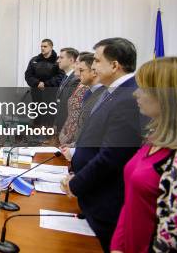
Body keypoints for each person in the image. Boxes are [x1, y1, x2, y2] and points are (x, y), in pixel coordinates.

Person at [61, 37, 147, 252]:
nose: (94, 66)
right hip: (93, 195)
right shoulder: (113, 92)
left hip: (106, 202)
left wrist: (76, 183)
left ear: (115, 65)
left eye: (97, 61)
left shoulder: (127, 96)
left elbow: (112, 156)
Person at [110, 57, 177, 253]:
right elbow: (132, 200)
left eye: (143, 88)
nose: (136, 93)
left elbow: (174, 237)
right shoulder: (153, 139)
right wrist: (118, 246)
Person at [59, 52, 105, 150]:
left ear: (94, 71)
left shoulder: (102, 95)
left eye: (81, 70)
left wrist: (74, 146)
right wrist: (73, 146)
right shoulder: (89, 91)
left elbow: (93, 132)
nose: (77, 74)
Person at [24, 38, 64, 126]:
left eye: (45, 46)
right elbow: (28, 75)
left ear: (51, 47)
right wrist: (37, 83)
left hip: (51, 95)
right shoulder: (34, 60)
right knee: (37, 117)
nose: (42, 48)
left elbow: (60, 77)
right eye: (41, 46)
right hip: (36, 95)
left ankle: (49, 137)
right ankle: (36, 136)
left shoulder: (58, 61)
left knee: (50, 118)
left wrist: (45, 84)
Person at [55, 47, 81, 131]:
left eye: (61, 58)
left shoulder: (76, 79)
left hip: (66, 128)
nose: (58, 60)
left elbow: (69, 107)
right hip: (60, 125)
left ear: (71, 60)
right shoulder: (65, 77)